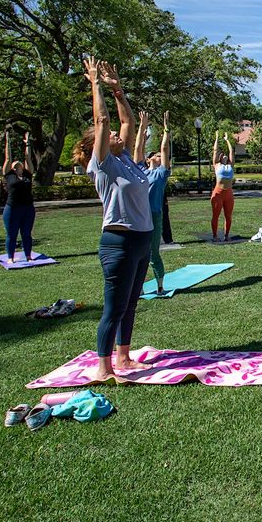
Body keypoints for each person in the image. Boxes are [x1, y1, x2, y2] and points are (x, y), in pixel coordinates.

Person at [72, 56, 154, 381]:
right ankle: (104, 368)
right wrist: (95, 83)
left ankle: (125, 358)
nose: (121, 136)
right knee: (114, 308)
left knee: (131, 304)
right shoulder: (103, 164)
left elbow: (128, 123)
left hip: (142, 240)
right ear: (99, 145)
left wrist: (119, 91)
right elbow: (103, 121)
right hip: (118, 243)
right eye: (111, 136)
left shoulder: (129, 162)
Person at [137, 111, 171, 295]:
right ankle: (139, 288)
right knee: (139, 254)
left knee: (153, 253)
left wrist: (166, 129)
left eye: (160, 156)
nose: (159, 157)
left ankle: (160, 286)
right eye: (156, 156)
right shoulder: (140, 171)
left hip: (155, 215)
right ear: (149, 159)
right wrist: (142, 131)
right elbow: (137, 151)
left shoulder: (161, 174)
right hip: (139, 215)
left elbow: (165, 149)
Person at [1, 128, 36, 263]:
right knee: (12, 235)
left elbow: (28, 157)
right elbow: (8, 158)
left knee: (26, 234)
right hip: (12, 208)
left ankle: (28, 256)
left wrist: (27, 144)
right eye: (14, 165)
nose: (16, 165)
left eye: (18, 164)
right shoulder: (9, 175)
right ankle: (10, 257)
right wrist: (7, 141)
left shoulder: (27, 175)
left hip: (27, 208)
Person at [210, 131, 235, 241]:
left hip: (228, 193)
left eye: (225, 155)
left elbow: (231, 151)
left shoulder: (230, 165)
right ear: (220, 157)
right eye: (222, 154)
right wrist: (216, 138)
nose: (224, 155)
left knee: (228, 216)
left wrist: (227, 140)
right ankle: (215, 236)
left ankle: (226, 235)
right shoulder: (216, 165)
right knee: (216, 216)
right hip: (218, 193)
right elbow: (215, 151)